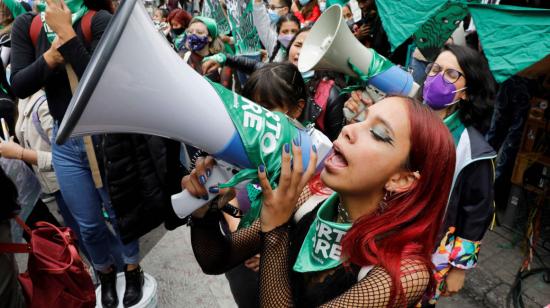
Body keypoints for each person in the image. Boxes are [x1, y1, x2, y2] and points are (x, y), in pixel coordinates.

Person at [186, 96, 456, 307]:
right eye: (360, 118)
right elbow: (215, 260)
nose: (349, 129)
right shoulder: (312, 197)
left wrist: (276, 230)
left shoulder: (405, 273)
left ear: (401, 179)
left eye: (379, 134)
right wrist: (205, 211)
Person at [10, 1, 143, 307]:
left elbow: (105, 82)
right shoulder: (27, 26)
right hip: (64, 138)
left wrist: (68, 36)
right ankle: (106, 272)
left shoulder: (98, 19)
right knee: (88, 223)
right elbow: (19, 83)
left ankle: (133, 268)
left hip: (105, 135)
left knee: (121, 210)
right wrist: (49, 57)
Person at [421, 44, 496, 305]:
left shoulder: (473, 149)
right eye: (435, 69)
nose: (437, 77)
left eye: (451, 74)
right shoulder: (404, 118)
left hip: (428, 251)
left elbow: (477, 212)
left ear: (467, 92)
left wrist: (459, 267)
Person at [184, 16, 224, 82]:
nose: (193, 35)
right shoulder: (183, 57)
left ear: (210, 37)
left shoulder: (218, 63)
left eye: (199, 32)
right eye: (190, 32)